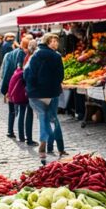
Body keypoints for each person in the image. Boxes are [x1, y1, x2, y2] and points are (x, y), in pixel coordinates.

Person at [24, 33, 66, 165]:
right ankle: (59, 147)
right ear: (47, 42)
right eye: (53, 41)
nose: (55, 44)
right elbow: (60, 76)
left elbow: (27, 73)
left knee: (43, 118)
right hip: (51, 92)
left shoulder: (34, 55)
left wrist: (32, 86)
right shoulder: (56, 56)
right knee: (53, 119)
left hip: (36, 93)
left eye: (56, 41)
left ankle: (44, 143)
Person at [7, 40, 37, 146]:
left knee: (21, 112)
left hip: (22, 88)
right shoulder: (32, 57)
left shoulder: (26, 56)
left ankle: (21, 136)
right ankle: (28, 139)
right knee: (28, 113)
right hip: (28, 88)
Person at [0, 37, 27, 138]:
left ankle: (10, 131)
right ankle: (20, 134)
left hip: (10, 84)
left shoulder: (10, 54)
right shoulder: (21, 55)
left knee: (12, 110)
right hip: (18, 85)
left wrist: (5, 88)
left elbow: (5, 71)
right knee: (20, 109)